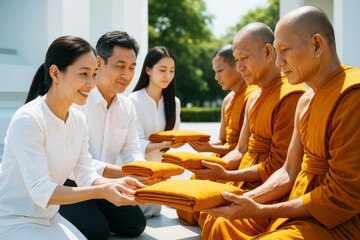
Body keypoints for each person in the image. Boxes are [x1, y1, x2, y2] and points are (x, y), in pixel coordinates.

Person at [202, 6, 360, 239]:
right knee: (221, 223)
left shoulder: (352, 95)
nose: (278, 62)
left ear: (317, 45)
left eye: (284, 50)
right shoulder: (306, 100)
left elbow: (343, 195)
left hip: (334, 220)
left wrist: (264, 209)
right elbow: (289, 169)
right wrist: (246, 200)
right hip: (297, 204)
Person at [0, 36, 145, 240]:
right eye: (84, 74)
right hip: (14, 220)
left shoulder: (77, 119)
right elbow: (42, 191)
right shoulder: (29, 119)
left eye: (94, 74)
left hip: (50, 216)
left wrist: (118, 184)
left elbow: (85, 173)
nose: (91, 83)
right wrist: (102, 191)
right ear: (55, 73)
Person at [180, 22, 306, 227]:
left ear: (267, 52)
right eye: (237, 60)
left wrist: (229, 175)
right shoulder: (254, 97)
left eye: (244, 58)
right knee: (192, 196)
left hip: (269, 185)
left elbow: (280, 166)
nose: (239, 67)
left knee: (217, 221)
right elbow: (241, 149)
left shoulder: (291, 97)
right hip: (241, 177)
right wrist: (216, 169)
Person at [59, 31, 159, 239]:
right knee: (97, 232)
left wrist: (142, 172)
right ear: (98, 63)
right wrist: (124, 173)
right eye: (120, 66)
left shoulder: (127, 107)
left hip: (107, 184)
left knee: (135, 225)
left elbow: (132, 150)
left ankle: (96, 210)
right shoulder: (79, 102)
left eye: (132, 68)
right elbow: (78, 165)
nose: (127, 75)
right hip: (71, 184)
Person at [128, 46, 182, 217]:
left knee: (155, 212)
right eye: (162, 70)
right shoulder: (133, 101)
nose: (168, 75)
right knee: (139, 214)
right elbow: (134, 143)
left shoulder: (174, 102)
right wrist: (164, 144)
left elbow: (174, 135)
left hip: (160, 175)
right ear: (148, 70)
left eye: (172, 70)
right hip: (137, 173)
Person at [187, 44, 257, 157]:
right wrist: (201, 144)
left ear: (237, 66)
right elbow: (222, 140)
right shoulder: (227, 100)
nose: (216, 77)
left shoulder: (253, 96)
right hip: (223, 157)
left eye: (219, 71)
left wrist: (210, 148)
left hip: (238, 161)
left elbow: (244, 148)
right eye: (215, 72)